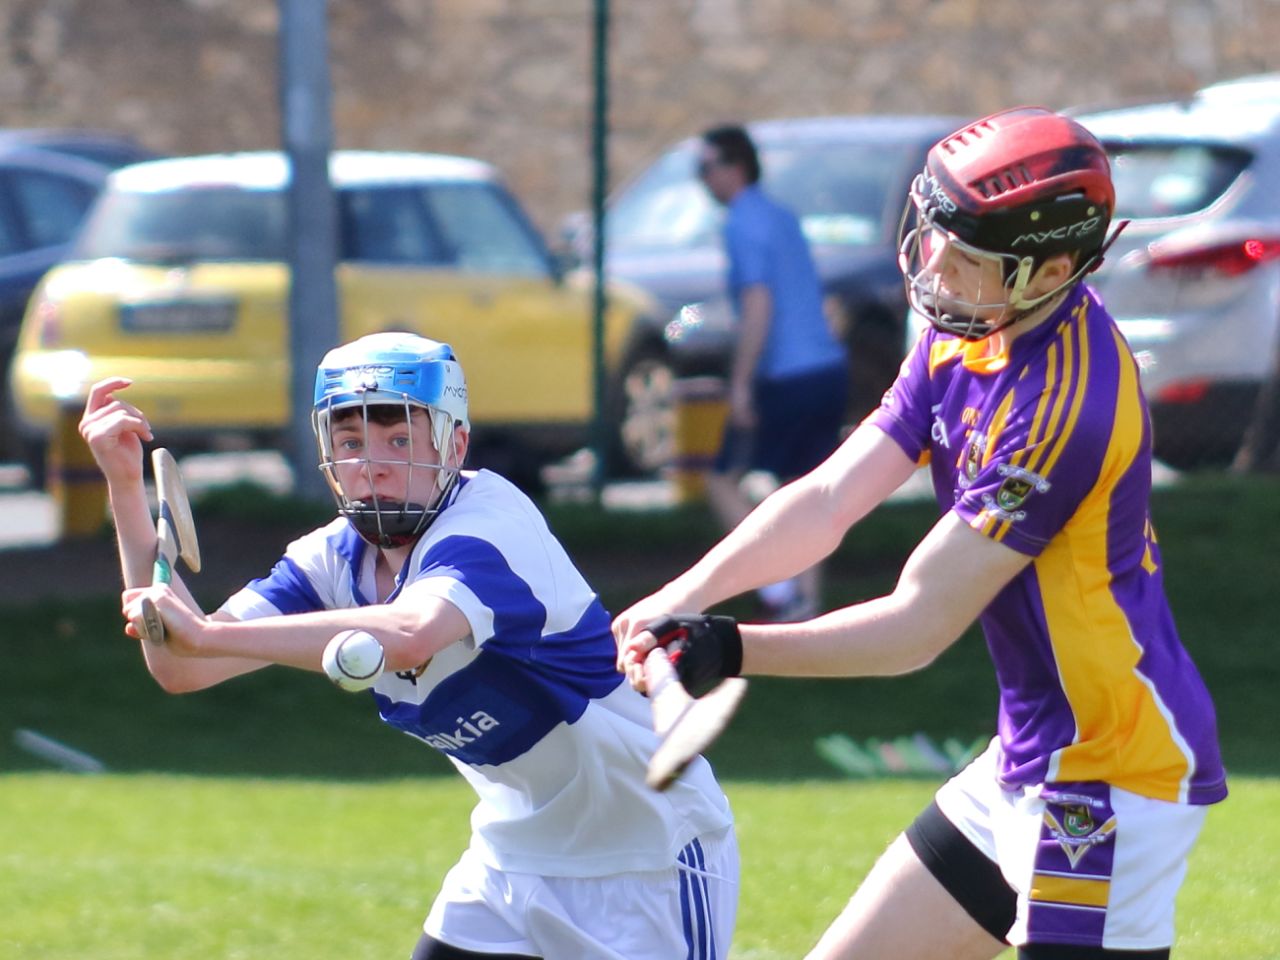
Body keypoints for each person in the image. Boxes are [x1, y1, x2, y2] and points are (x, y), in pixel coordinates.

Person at [615, 108, 1227, 959]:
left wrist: (727, 646)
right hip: (1025, 755)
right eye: (933, 233)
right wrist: (680, 599)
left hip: (1108, 774)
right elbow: (830, 495)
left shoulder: (1062, 407)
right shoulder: (968, 334)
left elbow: (916, 625)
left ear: (1050, 269)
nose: (934, 263)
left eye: (967, 257)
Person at [80, 332, 738, 960]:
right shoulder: (329, 560)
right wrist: (123, 489)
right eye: (349, 439)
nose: (372, 466)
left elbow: (412, 631)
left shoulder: (489, 524)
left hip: (647, 852)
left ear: (453, 445)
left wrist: (211, 632)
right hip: (514, 855)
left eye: (399, 439)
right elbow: (179, 665)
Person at [697, 124, 849, 621]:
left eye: (706, 168)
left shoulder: (742, 222)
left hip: (786, 376)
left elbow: (758, 303)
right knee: (805, 488)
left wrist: (740, 384)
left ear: (733, 168)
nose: (702, 180)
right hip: (825, 369)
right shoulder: (781, 215)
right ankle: (806, 601)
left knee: (721, 479)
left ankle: (780, 590)